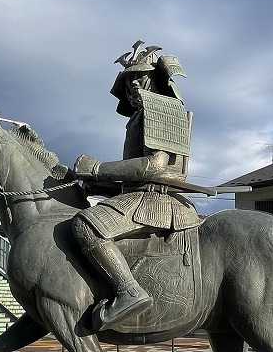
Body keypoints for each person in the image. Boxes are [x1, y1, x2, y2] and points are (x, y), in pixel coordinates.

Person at [71, 41, 200, 330]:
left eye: (137, 78)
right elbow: (134, 179)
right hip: (140, 194)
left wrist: (97, 168)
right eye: (127, 82)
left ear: (154, 79)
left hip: (157, 200)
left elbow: (154, 166)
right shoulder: (138, 118)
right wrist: (95, 184)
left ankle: (129, 292)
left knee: (86, 225)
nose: (131, 87)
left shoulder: (163, 108)